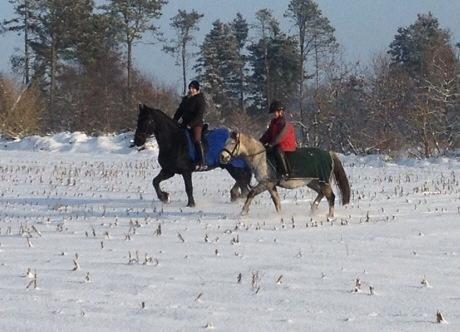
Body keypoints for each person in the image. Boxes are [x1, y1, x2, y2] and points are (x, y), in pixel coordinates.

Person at [173, 80, 207, 171]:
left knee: (196, 140)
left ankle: (201, 161)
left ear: (197, 89)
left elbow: (199, 115)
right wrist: (174, 121)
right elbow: (179, 111)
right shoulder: (186, 99)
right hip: (184, 123)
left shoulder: (200, 99)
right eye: (190, 88)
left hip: (196, 124)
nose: (191, 90)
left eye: (193, 88)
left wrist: (190, 125)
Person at [260, 100, 297, 179]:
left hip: (286, 144)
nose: (273, 114)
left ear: (281, 112)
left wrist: (271, 144)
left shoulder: (284, 122)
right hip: (277, 143)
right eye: (273, 113)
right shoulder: (274, 122)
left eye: (275, 112)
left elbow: (281, 136)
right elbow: (268, 134)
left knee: (277, 150)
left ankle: (286, 172)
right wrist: (260, 142)